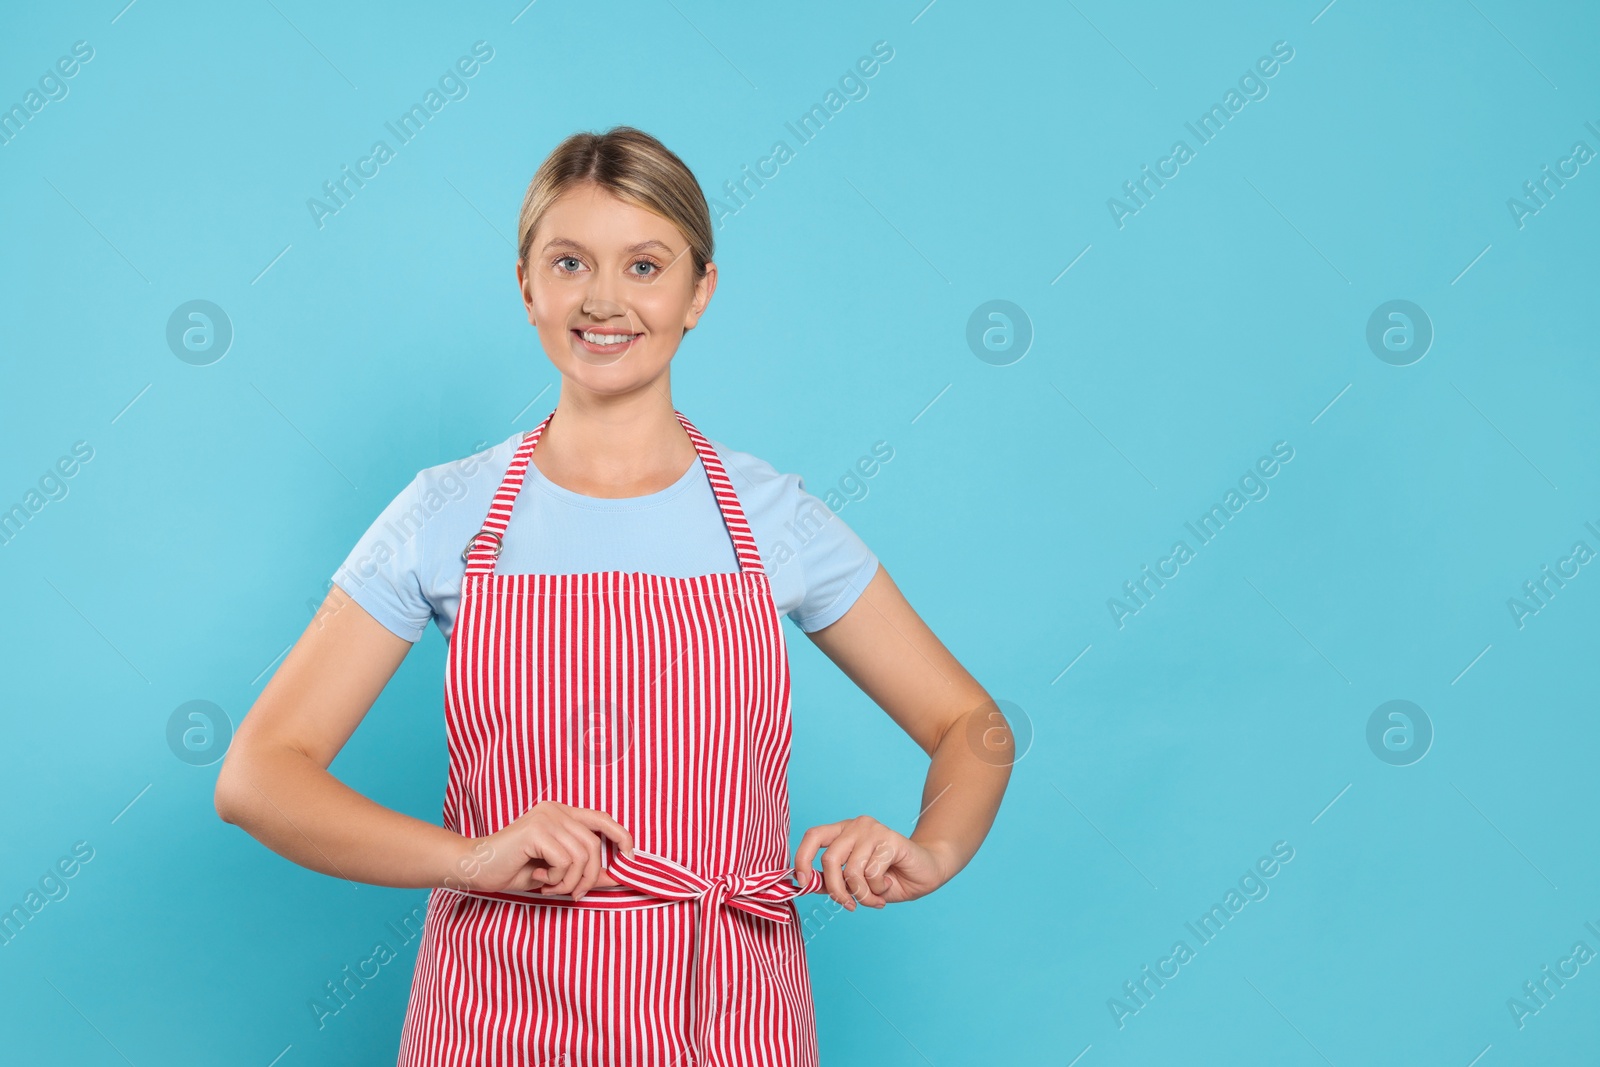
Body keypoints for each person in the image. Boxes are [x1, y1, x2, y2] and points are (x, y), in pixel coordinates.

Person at [214, 125, 1012, 1067]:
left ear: (699, 291)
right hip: (499, 1021)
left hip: (734, 1020)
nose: (603, 299)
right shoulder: (443, 510)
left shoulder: (772, 517)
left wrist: (935, 851)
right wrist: (468, 857)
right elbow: (260, 774)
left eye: (644, 265)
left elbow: (974, 725)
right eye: (569, 262)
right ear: (526, 286)